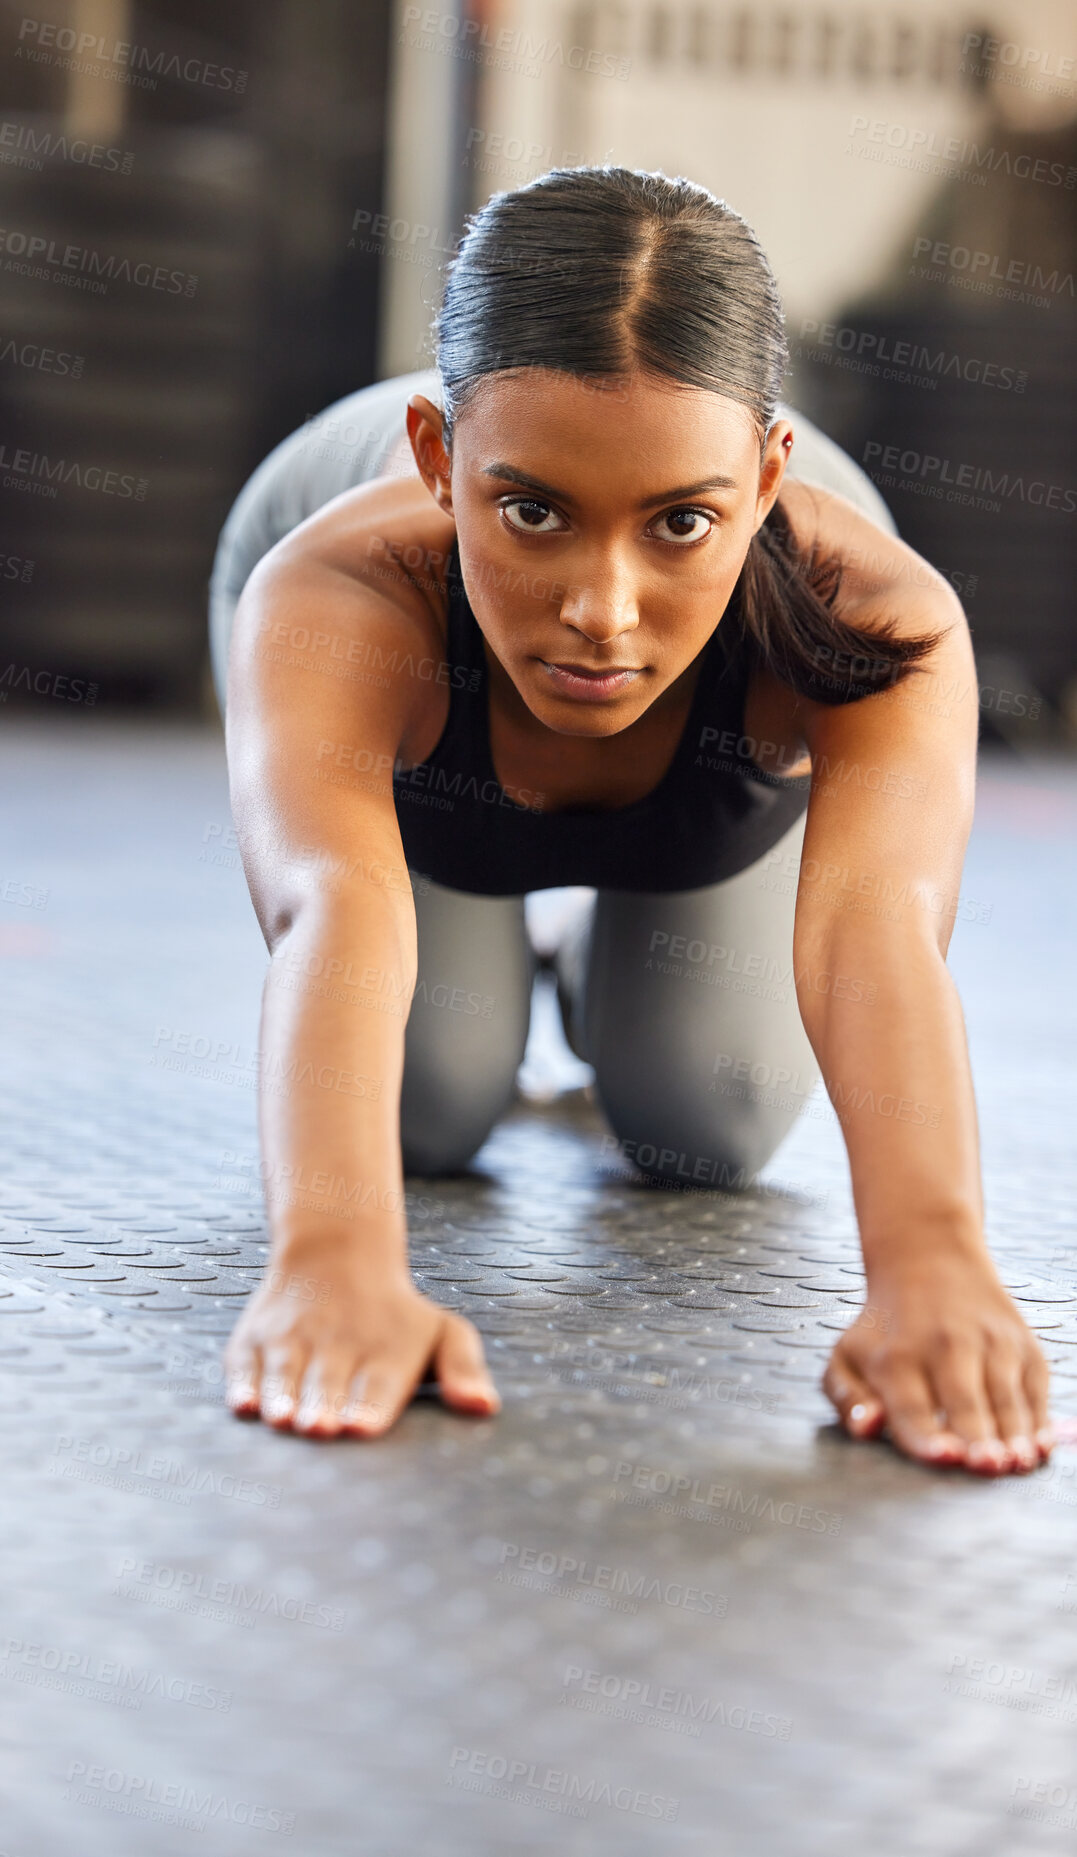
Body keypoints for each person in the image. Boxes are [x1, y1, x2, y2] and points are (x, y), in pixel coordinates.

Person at [213, 165, 1053, 1476]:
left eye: (676, 526)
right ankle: (506, 962)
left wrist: (934, 1268)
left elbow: (873, 933)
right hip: (413, 735)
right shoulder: (337, 584)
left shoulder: (867, 613)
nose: (601, 611)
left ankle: (609, 961)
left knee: (702, 1120)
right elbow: (328, 897)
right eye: (533, 513)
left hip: (709, 775)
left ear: (767, 480)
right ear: (443, 462)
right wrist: (329, 1265)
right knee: (425, 1106)